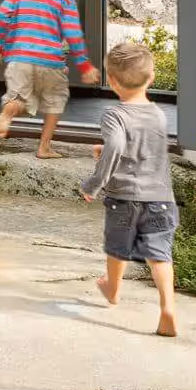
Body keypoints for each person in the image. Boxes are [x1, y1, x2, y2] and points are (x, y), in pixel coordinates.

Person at [83, 38, 179, 338]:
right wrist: (109, 152)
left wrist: (95, 182)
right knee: (160, 253)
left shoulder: (114, 115)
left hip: (125, 198)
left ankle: (112, 289)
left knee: (117, 248)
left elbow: (116, 146)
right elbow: (143, 150)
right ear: (151, 78)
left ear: (111, 81)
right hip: (161, 199)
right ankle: (167, 308)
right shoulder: (159, 115)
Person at [0, 0, 102, 158]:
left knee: (18, 99)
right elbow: (73, 35)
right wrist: (85, 66)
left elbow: (1, 17)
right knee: (54, 101)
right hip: (50, 63)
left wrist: (0, 46)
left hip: (19, 60)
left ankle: (6, 115)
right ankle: (44, 147)